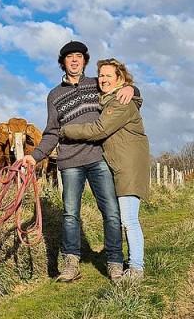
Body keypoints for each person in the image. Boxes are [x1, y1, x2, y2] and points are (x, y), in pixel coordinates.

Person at [22, 41, 141, 283]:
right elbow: (52, 132)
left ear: (84, 61)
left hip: (99, 157)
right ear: (62, 62)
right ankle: (71, 264)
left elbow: (123, 96)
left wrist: (134, 90)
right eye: (69, 57)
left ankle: (115, 263)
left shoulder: (96, 84)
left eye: (79, 56)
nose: (74, 60)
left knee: (111, 212)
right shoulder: (54, 95)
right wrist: (34, 157)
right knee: (70, 214)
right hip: (70, 162)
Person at [59, 58, 149, 281]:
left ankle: (136, 267)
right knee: (124, 217)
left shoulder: (120, 102)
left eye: (109, 75)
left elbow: (99, 129)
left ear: (120, 79)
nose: (103, 79)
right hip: (120, 165)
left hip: (128, 166)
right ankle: (132, 263)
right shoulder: (109, 100)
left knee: (128, 219)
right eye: (101, 75)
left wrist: (66, 131)